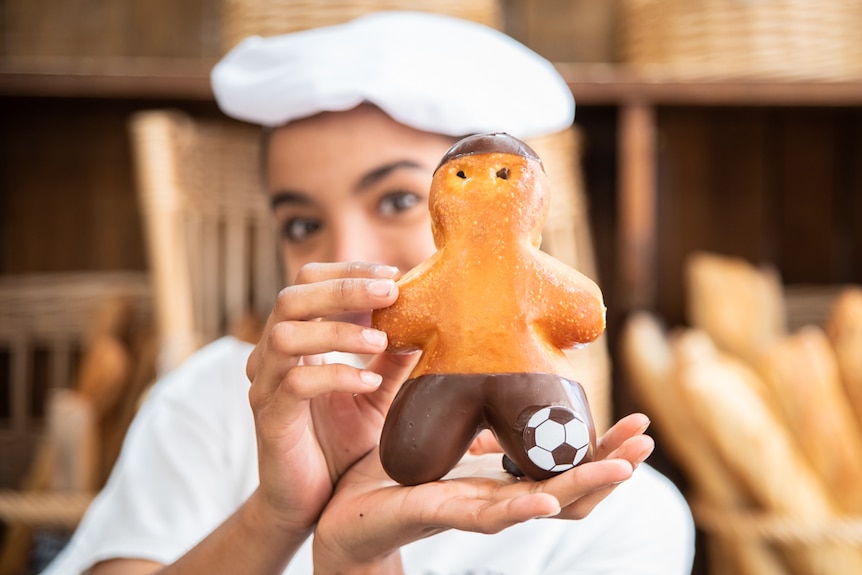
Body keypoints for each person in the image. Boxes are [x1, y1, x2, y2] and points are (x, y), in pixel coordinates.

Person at [43, 11, 694, 575]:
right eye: (302, 223)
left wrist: (359, 557)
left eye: (399, 199)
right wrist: (276, 515)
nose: (343, 253)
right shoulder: (205, 401)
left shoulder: (623, 513)